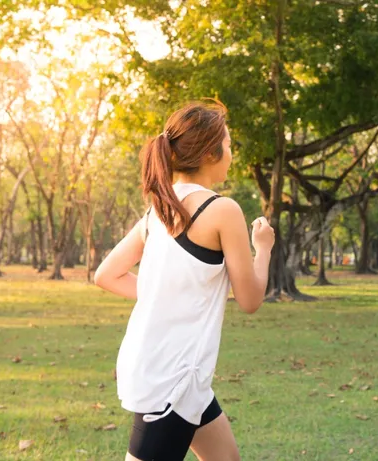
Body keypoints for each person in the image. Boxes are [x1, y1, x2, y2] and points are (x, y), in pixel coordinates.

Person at [94, 101, 275, 461]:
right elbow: (251, 298)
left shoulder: (158, 210)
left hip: (179, 374)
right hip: (171, 380)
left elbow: (107, 275)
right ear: (210, 152)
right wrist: (264, 247)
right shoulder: (222, 210)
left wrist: (169, 296)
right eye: (229, 145)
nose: (232, 154)